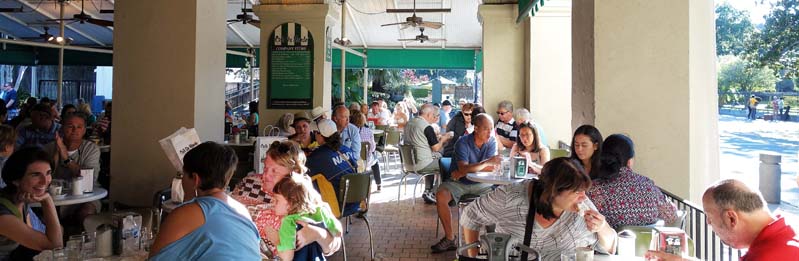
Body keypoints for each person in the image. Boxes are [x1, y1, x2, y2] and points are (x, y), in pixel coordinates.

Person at [461, 158, 617, 259]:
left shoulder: (581, 207)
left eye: (584, 191)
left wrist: (601, 227)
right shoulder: (511, 197)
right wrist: (472, 256)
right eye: (577, 192)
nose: (583, 197)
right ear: (553, 192)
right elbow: (470, 215)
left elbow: (609, 248)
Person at [149, 141, 260, 260]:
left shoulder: (185, 214)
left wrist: (188, 201)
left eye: (183, 175)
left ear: (195, 179)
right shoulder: (242, 210)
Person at [231, 140, 342, 258]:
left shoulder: (303, 198)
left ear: (294, 174)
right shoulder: (249, 182)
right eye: (265, 168)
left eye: (274, 171)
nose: (265, 176)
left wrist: (318, 234)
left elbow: (335, 243)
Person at [646, 179, 799, 260]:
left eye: (709, 217)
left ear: (731, 218)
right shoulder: (784, 234)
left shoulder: (768, 256)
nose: (708, 223)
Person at [431, 113, 498, 253]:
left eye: (491, 129)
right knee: (441, 195)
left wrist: (467, 169)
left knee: (496, 198)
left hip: (482, 183)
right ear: (476, 128)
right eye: (486, 129)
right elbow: (465, 168)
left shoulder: (492, 141)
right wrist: (482, 164)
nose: (490, 132)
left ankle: (493, 240)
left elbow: (493, 167)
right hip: (459, 183)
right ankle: (450, 238)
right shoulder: (462, 142)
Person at [587, 134, 677, 229]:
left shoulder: (595, 189)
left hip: (612, 243)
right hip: (648, 243)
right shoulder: (648, 185)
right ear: (629, 161)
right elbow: (671, 216)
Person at [0, 147, 63, 260]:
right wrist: (47, 200)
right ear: (16, 180)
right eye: (35, 175)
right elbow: (54, 247)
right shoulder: (3, 214)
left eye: (48, 173)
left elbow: (45, 235)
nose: (45, 181)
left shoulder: (20, 199)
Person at [42, 114, 101, 224]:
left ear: (84, 130)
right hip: (55, 197)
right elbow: (45, 176)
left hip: (86, 196)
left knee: (86, 212)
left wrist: (66, 158)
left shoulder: (91, 149)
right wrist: (56, 154)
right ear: (62, 128)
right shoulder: (49, 148)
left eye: (79, 127)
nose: (74, 130)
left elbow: (88, 179)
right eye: (70, 126)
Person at [272, 174, 342, 261]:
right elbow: (338, 232)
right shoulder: (320, 210)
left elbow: (287, 257)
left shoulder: (288, 222)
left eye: (277, 200)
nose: (273, 203)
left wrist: (276, 240)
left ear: (290, 203)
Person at [305, 119, 359, 216]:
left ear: (320, 135)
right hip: (355, 201)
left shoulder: (317, 157)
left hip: (335, 206)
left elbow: (303, 174)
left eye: (315, 133)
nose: (314, 135)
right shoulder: (346, 149)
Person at [404, 104, 453, 204]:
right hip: (422, 163)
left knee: (436, 159)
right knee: (450, 166)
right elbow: (436, 148)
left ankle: (428, 191)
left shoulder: (410, 123)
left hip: (409, 163)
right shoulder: (426, 127)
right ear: (429, 114)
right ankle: (434, 193)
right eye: (434, 115)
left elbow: (420, 141)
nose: (435, 118)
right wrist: (444, 139)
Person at [350, 109, 382, 192]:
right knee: (376, 161)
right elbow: (372, 148)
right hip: (366, 159)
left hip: (353, 160)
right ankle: (379, 184)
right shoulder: (368, 131)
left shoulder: (349, 130)